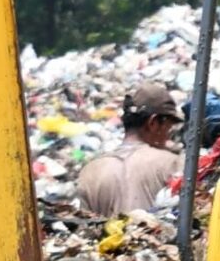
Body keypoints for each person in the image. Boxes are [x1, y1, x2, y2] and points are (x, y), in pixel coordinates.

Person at [76, 79, 185, 217]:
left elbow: (85, 228)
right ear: (153, 122)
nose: (167, 137)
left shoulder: (89, 171)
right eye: (168, 127)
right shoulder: (171, 163)